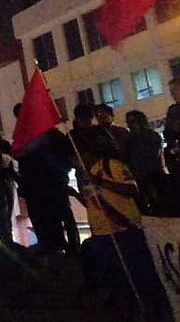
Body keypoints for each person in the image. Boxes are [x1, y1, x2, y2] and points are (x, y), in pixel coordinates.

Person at [80, 131, 171, 320]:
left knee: (141, 275)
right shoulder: (88, 173)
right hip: (102, 232)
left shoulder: (112, 165)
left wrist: (101, 181)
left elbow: (131, 189)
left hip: (124, 228)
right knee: (115, 280)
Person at [12, 103, 77, 254]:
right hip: (34, 186)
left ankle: (72, 247)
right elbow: (19, 158)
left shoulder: (49, 133)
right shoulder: (22, 137)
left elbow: (66, 153)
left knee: (63, 215)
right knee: (42, 218)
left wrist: (61, 173)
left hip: (54, 182)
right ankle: (50, 246)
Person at [124, 110, 167, 214]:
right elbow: (126, 158)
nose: (131, 125)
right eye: (129, 122)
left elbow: (156, 153)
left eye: (133, 121)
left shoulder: (151, 135)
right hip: (139, 175)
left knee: (160, 200)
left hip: (155, 172)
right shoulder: (129, 139)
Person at [164, 78, 180, 174]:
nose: (172, 94)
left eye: (174, 90)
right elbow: (168, 133)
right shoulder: (172, 110)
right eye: (171, 91)